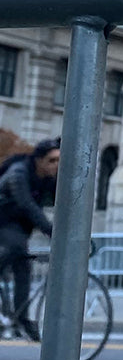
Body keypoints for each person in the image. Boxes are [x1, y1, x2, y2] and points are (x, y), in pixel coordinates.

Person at [0, 138, 60, 341]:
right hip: (4, 221)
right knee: (16, 248)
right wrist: (52, 231)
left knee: (24, 268)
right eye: (52, 161)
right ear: (39, 160)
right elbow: (27, 205)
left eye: (59, 160)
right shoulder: (19, 173)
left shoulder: (47, 180)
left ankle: (20, 319)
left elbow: (63, 201)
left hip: (18, 227)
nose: (56, 165)